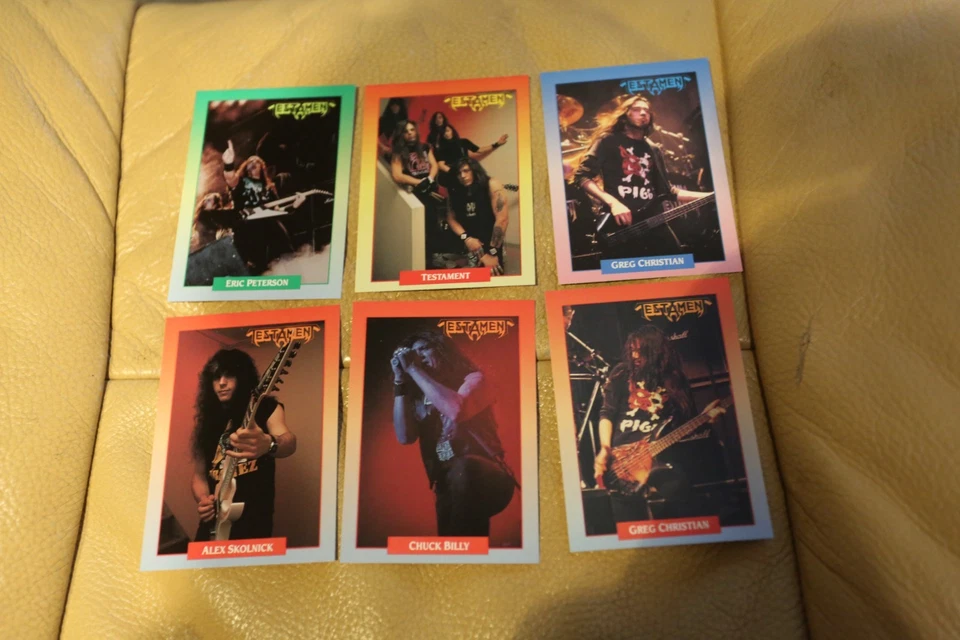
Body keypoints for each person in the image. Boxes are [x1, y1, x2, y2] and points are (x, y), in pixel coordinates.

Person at [592, 325, 725, 523]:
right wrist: (605, 448)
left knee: (685, 503)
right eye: (632, 350)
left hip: (661, 456)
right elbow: (606, 413)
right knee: (629, 521)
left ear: (655, 351)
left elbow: (682, 425)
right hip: (623, 461)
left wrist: (704, 420)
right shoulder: (621, 373)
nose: (635, 356)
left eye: (641, 351)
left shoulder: (675, 379)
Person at [391, 331, 516, 537]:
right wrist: (399, 382)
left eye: (424, 349)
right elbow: (405, 437)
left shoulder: (474, 379)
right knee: (453, 540)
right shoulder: (419, 397)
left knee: (464, 471)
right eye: (413, 354)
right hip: (446, 481)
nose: (418, 357)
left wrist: (412, 368)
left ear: (443, 350)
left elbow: (456, 410)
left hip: (484, 473)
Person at [569, 95, 712, 258]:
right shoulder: (608, 141)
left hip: (654, 222)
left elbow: (668, 191)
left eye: (647, 111)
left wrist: (709, 196)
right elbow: (582, 176)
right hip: (621, 224)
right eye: (637, 110)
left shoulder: (653, 148)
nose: (643, 113)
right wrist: (614, 203)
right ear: (625, 115)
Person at [191, 349, 297, 542]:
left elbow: (289, 442)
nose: (222, 382)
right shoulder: (208, 421)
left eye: (229, 375)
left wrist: (270, 443)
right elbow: (199, 477)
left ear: (243, 377)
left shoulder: (266, 408)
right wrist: (204, 500)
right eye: (216, 377)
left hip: (254, 522)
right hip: (212, 524)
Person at [221, 140, 303, 272]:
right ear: (245, 167)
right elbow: (230, 179)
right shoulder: (241, 182)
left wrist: (294, 205)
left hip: (269, 224)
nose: (253, 162)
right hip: (248, 226)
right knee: (257, 265)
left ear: (262, 167)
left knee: (286, 255)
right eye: (250, 162)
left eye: (256, 161)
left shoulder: (269, 188)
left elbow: (277, 210)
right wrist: (228, 163)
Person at [389, 120, 459, 267]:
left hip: (430, 190)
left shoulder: (425, 147)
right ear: (402, 134)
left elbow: (434, 165)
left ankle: (435, 257)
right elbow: (397, 175)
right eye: (406, 131)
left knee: (434, 223)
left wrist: (430, 179)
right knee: (421, 227)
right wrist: (419, 182)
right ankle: (424, 259)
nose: (410, 133)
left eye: (412, 130)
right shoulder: (398, 151)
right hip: (415, 195)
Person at [445, 158, 508, 276]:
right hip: (468, 238)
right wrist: (467, 239)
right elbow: (451, 218)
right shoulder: (454, 189)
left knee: (492, 274)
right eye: (459, 173)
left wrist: (492, 253)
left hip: (491, 239)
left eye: (466, 171)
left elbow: (502, 219)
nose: (462, 176)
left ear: (474, 170)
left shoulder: (492, 184)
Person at [433, 123, 509, 190]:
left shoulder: (463, 142)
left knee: (480, 180)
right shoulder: (441, 147)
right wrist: (456, 172)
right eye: (443, 132)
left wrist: (497, 144)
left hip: (465, 171)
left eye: (447, 131)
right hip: (453, 176)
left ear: (452, 131)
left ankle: (500, 187)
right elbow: (441, 165)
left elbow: (479, 150)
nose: (446, 133)